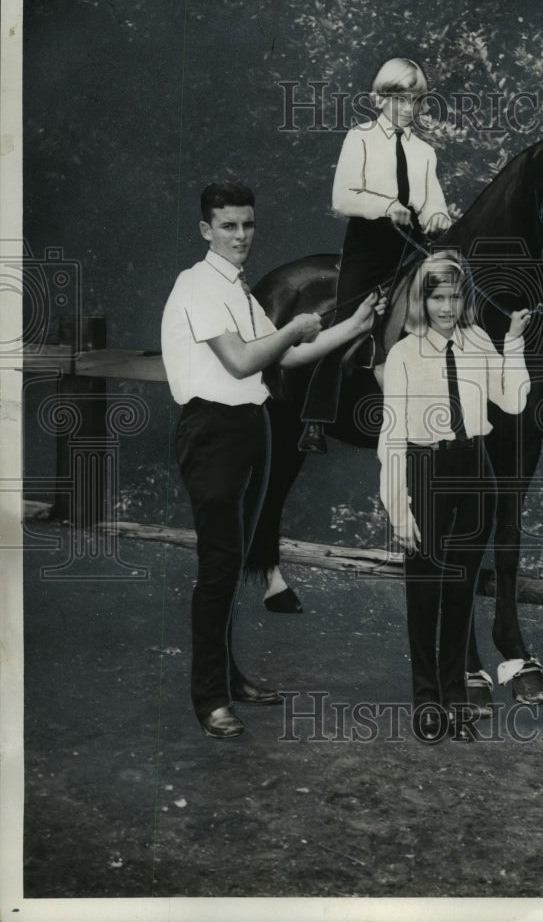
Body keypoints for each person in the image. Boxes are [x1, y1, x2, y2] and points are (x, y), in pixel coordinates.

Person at [161, 181, 384, 739]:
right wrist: (291, 327)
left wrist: (351, 327)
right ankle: (210, 699)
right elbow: (240, 362)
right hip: (213, 432)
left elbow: (287, 358)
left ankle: (230, 678)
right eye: (229, 226)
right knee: (217, 570)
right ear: (206, 230)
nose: (241, 236)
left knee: (234, 563)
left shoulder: (238, 290)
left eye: (248, 225)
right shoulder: (198, 287)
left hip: (253, 426)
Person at [377, 251, 531, 743]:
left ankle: (455, 699)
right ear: (423, 300)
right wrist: (398, 509)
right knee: (425, 589)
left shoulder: (478, 340)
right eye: (437, 296)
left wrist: (513, 344)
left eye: (454, 295)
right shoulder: (403, 353)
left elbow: (512, 399)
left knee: (462, 589)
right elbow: (392, 437)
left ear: (464, 297)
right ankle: (427, 700)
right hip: (426, 468)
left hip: (475, 468)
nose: (446, 307)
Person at [299, 57, 451, 454]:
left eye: (416, 100)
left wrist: (436, 216)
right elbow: (343, 195)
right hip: (371, 243)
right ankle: (316, 417)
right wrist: (386, 206)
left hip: (411, 244)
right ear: (380, 99)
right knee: (346, 319)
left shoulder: (425, 152)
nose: (408, 109)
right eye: (400, 99)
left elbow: (435, 201)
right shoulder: (360, 138)